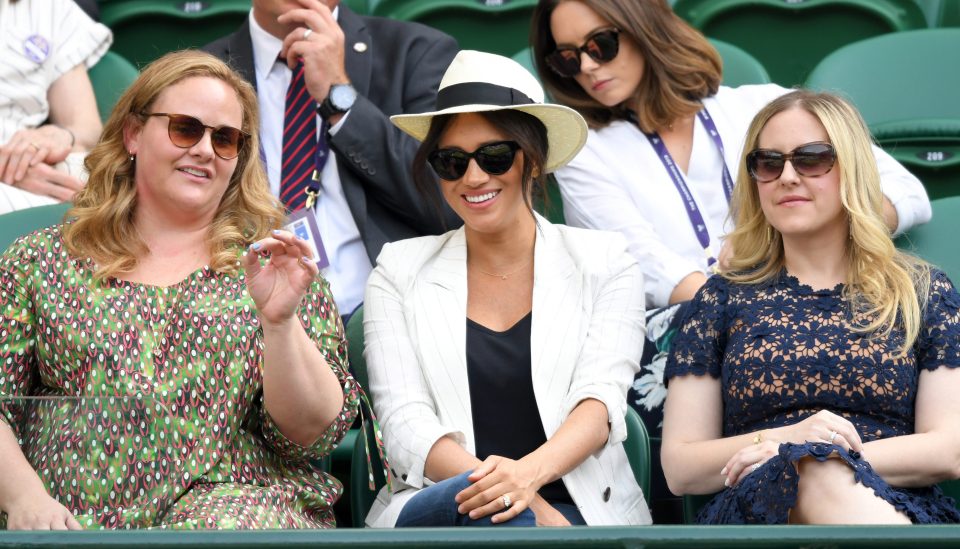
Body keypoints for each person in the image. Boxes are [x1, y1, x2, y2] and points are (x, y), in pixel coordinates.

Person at [530, 0, 933, 457]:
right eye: (565, 58)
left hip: (805, 297)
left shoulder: (759, 105)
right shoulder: (588, 147)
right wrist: (744, 301)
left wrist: (791, 246)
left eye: (600, 45)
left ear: (645, 29)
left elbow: (906, 192)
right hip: (688, 321)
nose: (585, 66)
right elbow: (645, 264)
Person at [0, 50, 359, 530]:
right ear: (132, 133)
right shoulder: (38, 262)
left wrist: (279, 323)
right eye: (185, 129)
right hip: (67, 522)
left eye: (225, 139)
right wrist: (25, 499)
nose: (205, 150)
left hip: (235, 513)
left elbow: (313, 436)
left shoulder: (278, 265)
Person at [362, 50, 651, 528]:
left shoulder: (606, 262)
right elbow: (405, 426)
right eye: (451, 161)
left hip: (582, 509)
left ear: (532, 161)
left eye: (494, 156)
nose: (473, 178)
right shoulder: (398, 269)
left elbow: (599, 403)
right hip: (448, 509)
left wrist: (529, 481)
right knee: (492, 515)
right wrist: (527, 507)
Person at [661, 90, 960, 525]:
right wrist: (786, 442)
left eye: (812, 158)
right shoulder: (720, 300)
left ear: (852, 169)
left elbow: (948, 449)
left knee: (816, 472)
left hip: (892, 503)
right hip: (754, 516)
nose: (787, 176)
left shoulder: (921, 292)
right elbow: (680, 467)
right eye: (769, 162)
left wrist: (817, 455)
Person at [204, 0, 461, 318]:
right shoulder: (200, 71)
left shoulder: (415, 52)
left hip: (383, 315)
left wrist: (342, 99)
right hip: (238, 317)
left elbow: (451, 202)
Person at [0, 0, 111, 213]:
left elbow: (87, 128)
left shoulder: (50, 8)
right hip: (15, 173)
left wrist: (59, 136)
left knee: (109, 182)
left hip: (29, 163)